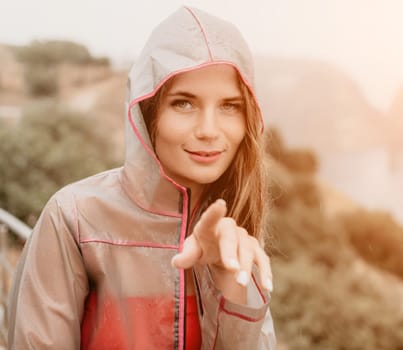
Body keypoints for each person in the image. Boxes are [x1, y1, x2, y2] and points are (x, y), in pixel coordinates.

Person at [7, 6, 276, 349]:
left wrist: (233, 288)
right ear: (148, 112)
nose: (209, 130)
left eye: (229, 106)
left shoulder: (236, 228)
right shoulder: (73, 218)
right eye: (183, 103)